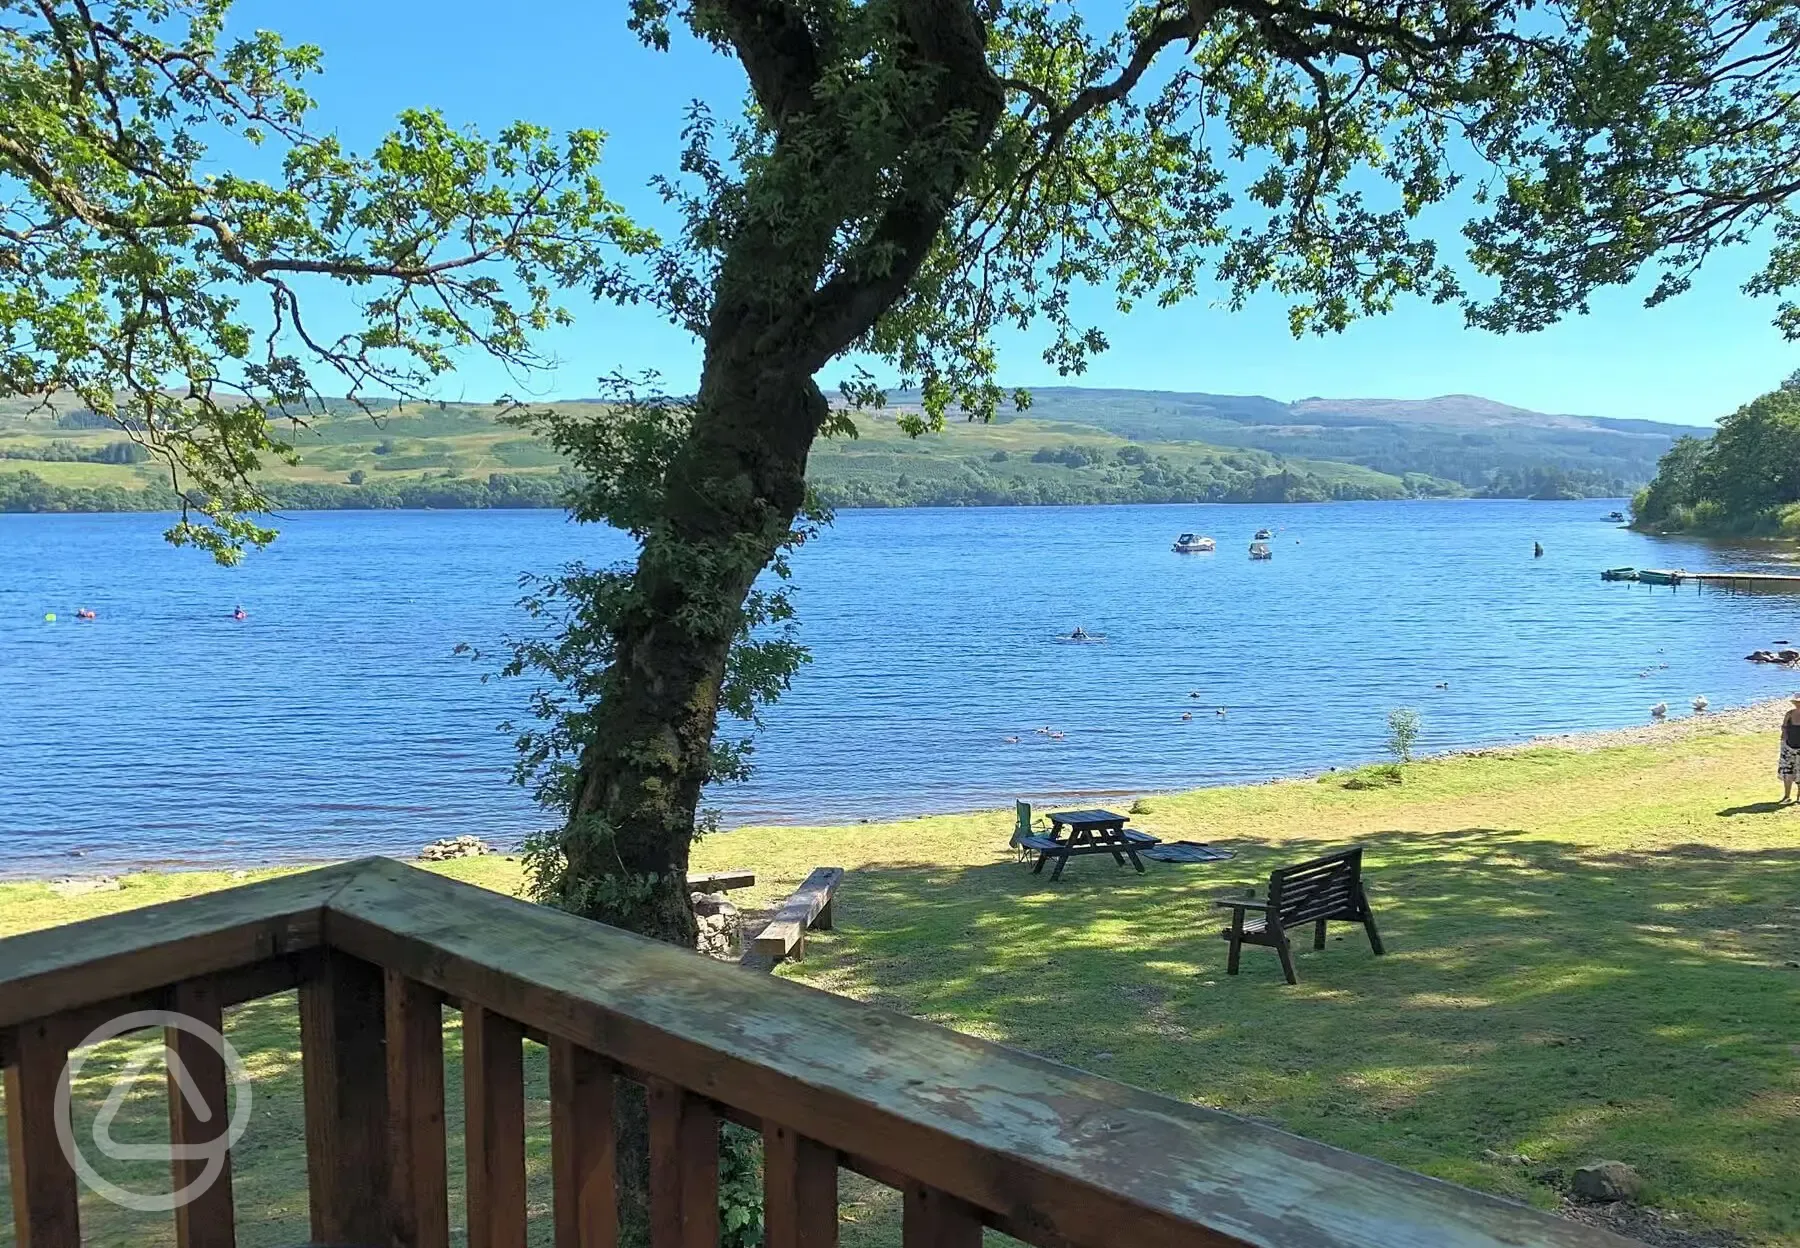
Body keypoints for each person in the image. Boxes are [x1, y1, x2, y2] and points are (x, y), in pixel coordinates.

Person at [1781, 694, 1800, 803]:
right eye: (1797, 703)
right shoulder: (1789, 714)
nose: (1798, 705)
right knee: (1788, 772)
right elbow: (1784, 728)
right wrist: (1783, 742)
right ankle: (1787, 796)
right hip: (1789, 748)